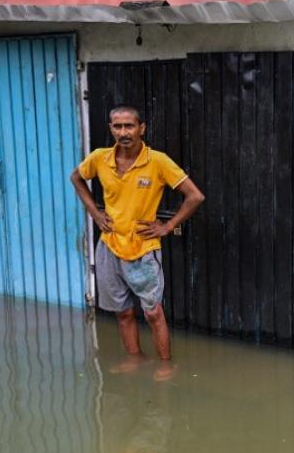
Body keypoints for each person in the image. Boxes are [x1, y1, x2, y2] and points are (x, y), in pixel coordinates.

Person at [71, 106, 205, 369]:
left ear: (141, 128)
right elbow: (76, 178)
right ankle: (136, 359)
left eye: (129, 126)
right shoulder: (99, 158)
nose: (124, 132)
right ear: (110, 128)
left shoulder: (158, 161)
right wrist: (95, 214)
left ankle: (166, 365)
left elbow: (195, 196)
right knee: (123, 311)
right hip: (109, 246)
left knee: (153, 312)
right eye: (117, 126)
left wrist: (167, 226)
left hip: (143, 249)